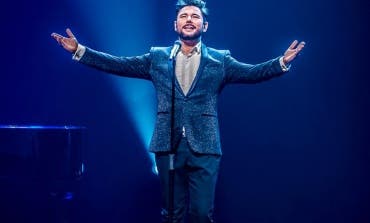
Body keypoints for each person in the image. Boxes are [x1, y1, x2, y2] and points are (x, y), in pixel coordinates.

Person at [51, 0, 305, 222]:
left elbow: (252, 73)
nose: (189, 20)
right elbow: (118, 65)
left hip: (205, 146)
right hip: (167, 144)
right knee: (171, 213)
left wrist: (280, 62)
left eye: (195, 16)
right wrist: (81, 51)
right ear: (175, 25)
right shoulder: (158, 57)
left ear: (204, 26)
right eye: (183, 16)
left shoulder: (220, 60)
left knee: (201, 213)